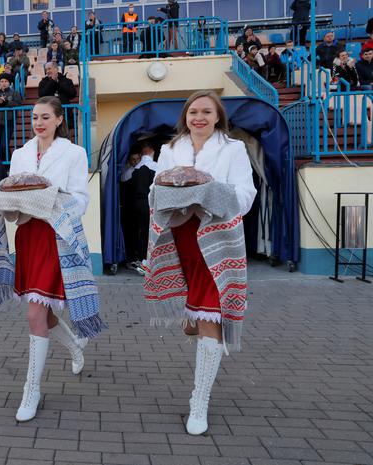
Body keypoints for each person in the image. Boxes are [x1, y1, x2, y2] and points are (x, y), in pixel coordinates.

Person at [144, 90, 256, 436]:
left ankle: (199, 402)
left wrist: (208, 193)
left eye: (207, 112)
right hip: (180, 239)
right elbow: (155, 190)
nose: (199, 118)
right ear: (186, 117)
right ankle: (193, 319)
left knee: (211, 315)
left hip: (218, 240)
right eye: (194, 112)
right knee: (198, 313)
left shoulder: (233, 149)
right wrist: (174, 196)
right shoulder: (170, 150)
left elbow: (246, 196)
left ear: (218, 117)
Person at [6, 96, 100, 422]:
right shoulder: (19, 154)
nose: (39, 122)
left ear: (59, 120)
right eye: (35, 117)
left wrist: (51, 197)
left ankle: (31, 390)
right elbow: (12, 192)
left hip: (56, 236)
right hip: (28, 237)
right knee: (43, 316)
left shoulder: (73, 153)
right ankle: (74, 344)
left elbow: (81, 199)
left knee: (35, 315)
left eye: (46, 117)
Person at [132, 142, 157, 264]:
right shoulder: (155, 166)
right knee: (150, 231)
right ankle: (149, 258)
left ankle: (141, 256)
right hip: (150, 203)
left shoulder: (135, 168)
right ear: (152, 151)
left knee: (140, 230)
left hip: (136, 203)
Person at [0, 75, 23, 161]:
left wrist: (6, 102)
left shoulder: (15, 93)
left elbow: (18, 104)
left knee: (4, 144)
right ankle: (3, 164)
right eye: (1, 81)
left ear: (9, 83)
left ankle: (9, 162)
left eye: (6, 81)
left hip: (9, 121)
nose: (3, 83)